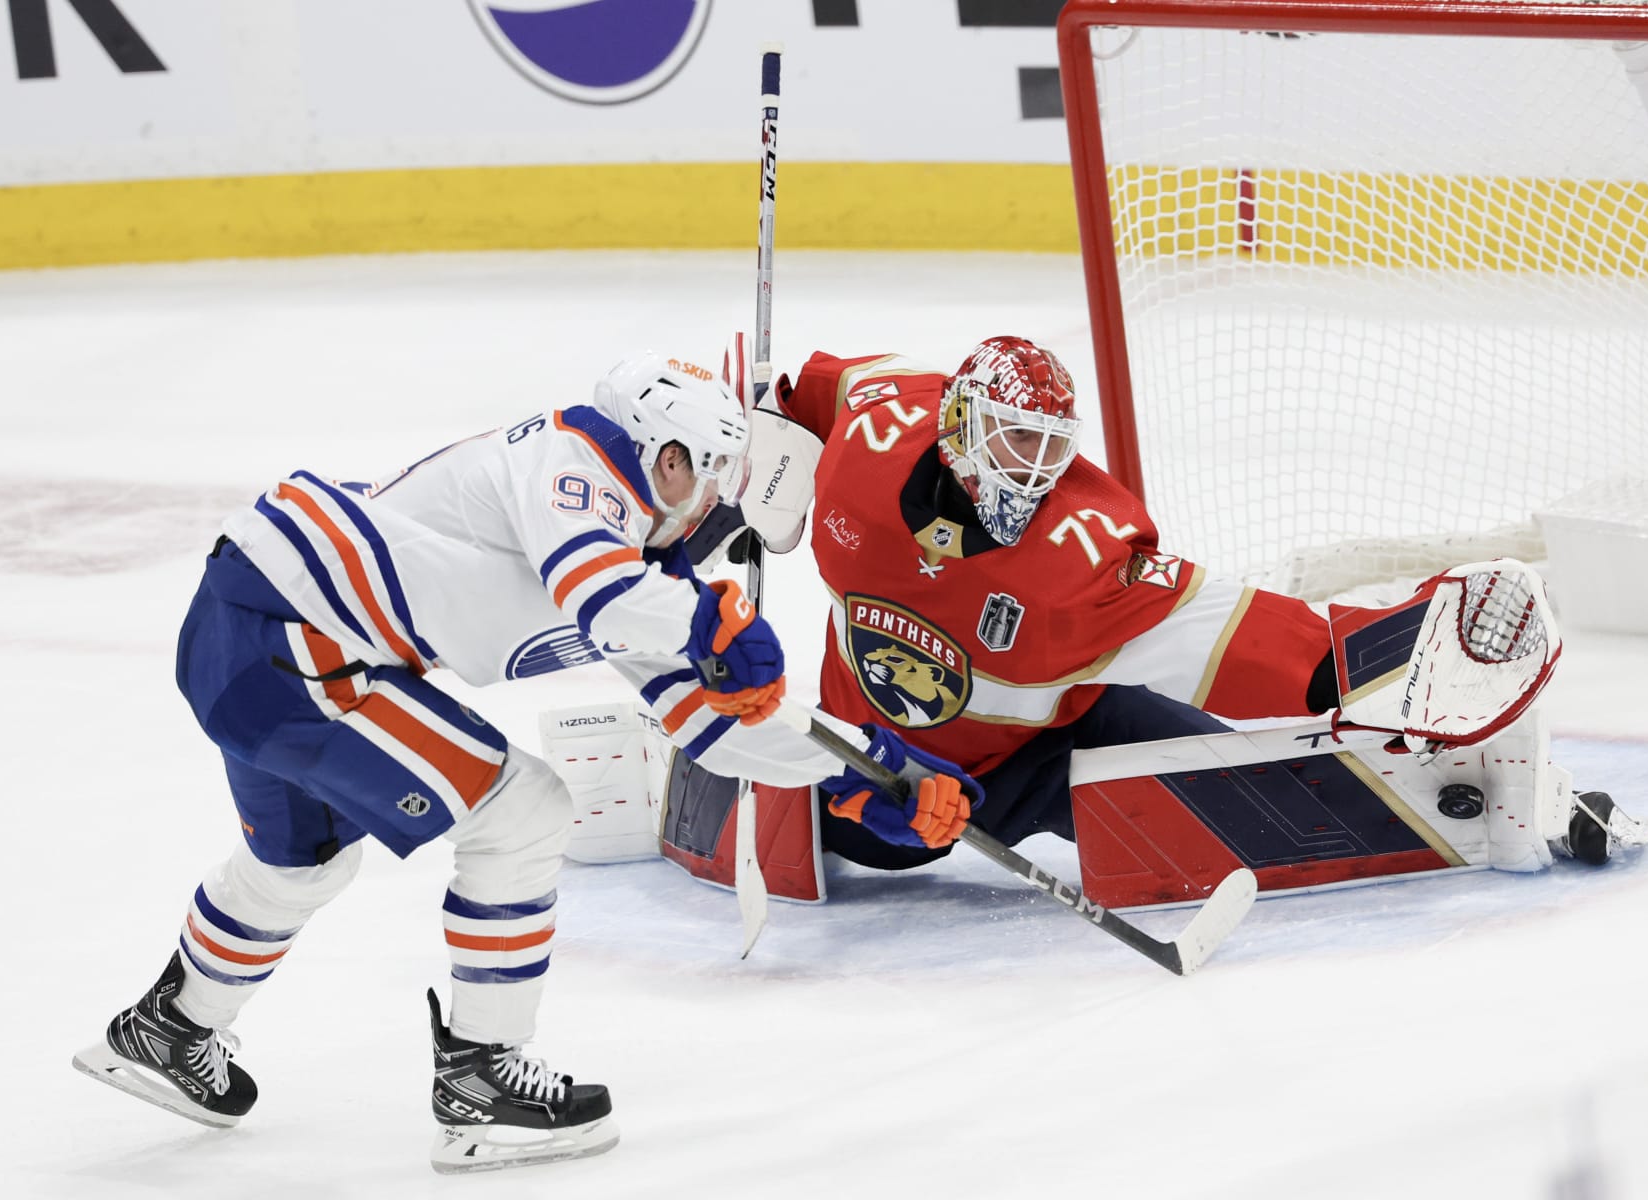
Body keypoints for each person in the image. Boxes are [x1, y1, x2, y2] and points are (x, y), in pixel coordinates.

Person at [70, 351, 979, 1173]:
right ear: (667, 457)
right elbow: (600, 593)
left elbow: (705, 719)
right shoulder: (572, 460)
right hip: (292, 637)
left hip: (263, 634)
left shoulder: (640, 564)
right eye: (710, 477)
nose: (716, 506)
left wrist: (858, 772)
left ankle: (168, 1029)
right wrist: (708, 620)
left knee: (300, 860)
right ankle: (481, 1080)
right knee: (523, 812)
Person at [750, 335, 1620, 877]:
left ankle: (1514, 808)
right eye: (1014, 441)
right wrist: (763, 438)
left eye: (1051, 448)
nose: (1033, 471)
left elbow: (1241, 636)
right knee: (865, 832)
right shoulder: (869, 437)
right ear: (958, 425)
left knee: (1255, 802)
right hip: (880, 776)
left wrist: (1382, 662)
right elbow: (817, 391)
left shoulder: (1079, 561)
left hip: (1044, 752)